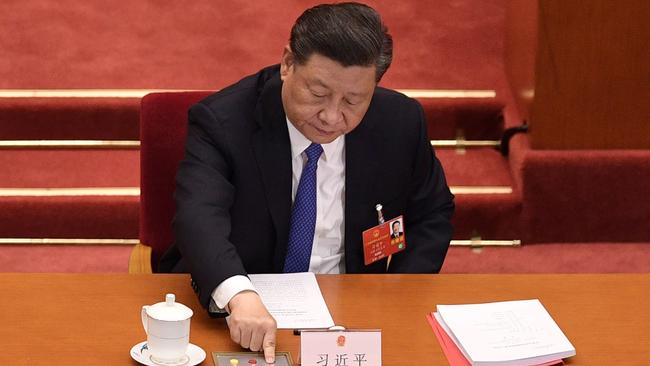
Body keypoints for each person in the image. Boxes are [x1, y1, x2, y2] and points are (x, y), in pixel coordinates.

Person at [159, 2, 454, 363]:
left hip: (352, 311)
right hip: (245, 307)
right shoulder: (223, 123)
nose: (332, 117)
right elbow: (197, 217)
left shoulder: (401, 122)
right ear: (287, 63)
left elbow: (433, 212)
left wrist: (397, 292)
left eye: (352, 100)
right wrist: (238, 293)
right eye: (318, 94)